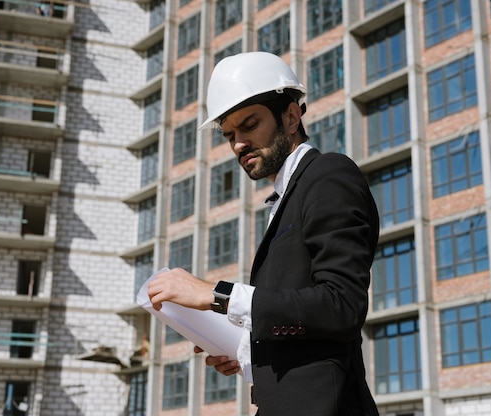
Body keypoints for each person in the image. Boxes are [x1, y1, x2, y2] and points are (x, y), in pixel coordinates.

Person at [148, 51, 380, 416]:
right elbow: (308, 332)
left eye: (249, 124)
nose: (238, 144)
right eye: (229, 135)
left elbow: (342, 306)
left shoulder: (329, 175)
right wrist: (245, 350)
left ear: (290, 117)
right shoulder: (285, 200)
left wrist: (217, 295)